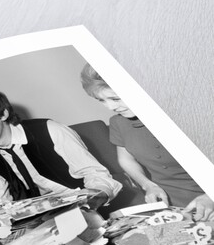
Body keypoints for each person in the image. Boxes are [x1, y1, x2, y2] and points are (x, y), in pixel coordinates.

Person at [0, 87, 122, 207]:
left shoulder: (50, 130)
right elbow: (0, 205)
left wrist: (92, 198)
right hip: (39, 222)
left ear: (3, 114)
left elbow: (94, 173)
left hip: (85, 205)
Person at [80, 64, 214, 221]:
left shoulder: (191, 113)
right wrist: (148, 185)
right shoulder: (118, 123)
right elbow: (126, 159)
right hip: (170, 205)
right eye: (101, 100)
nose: (110, 107)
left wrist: (210, 196)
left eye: (115, 98)